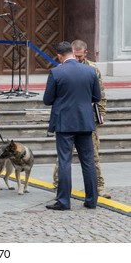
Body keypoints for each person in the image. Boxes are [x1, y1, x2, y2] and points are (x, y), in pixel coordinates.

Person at [44, 41, 101, 210]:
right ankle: (91, 200)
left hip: (65, 123)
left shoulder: (56, 72)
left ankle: (63, 201)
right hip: (85, 121)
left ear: (60, 56)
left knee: (64, 161)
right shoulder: (90, 71)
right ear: (73, 53)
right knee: (88, 162)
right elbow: (96, 97)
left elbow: (47, 100)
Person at [52, 39, 111, 199]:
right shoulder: (61, 68)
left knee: (93, 156)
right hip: (69, 119)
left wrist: (102, 113)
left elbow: (100, 95)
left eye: (80, 56)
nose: (77, 59)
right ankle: (58, 187)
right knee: (63, 158)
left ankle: (99, 187)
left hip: (87, 119)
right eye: (75, 55)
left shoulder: (92, 69)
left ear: (85, 53)